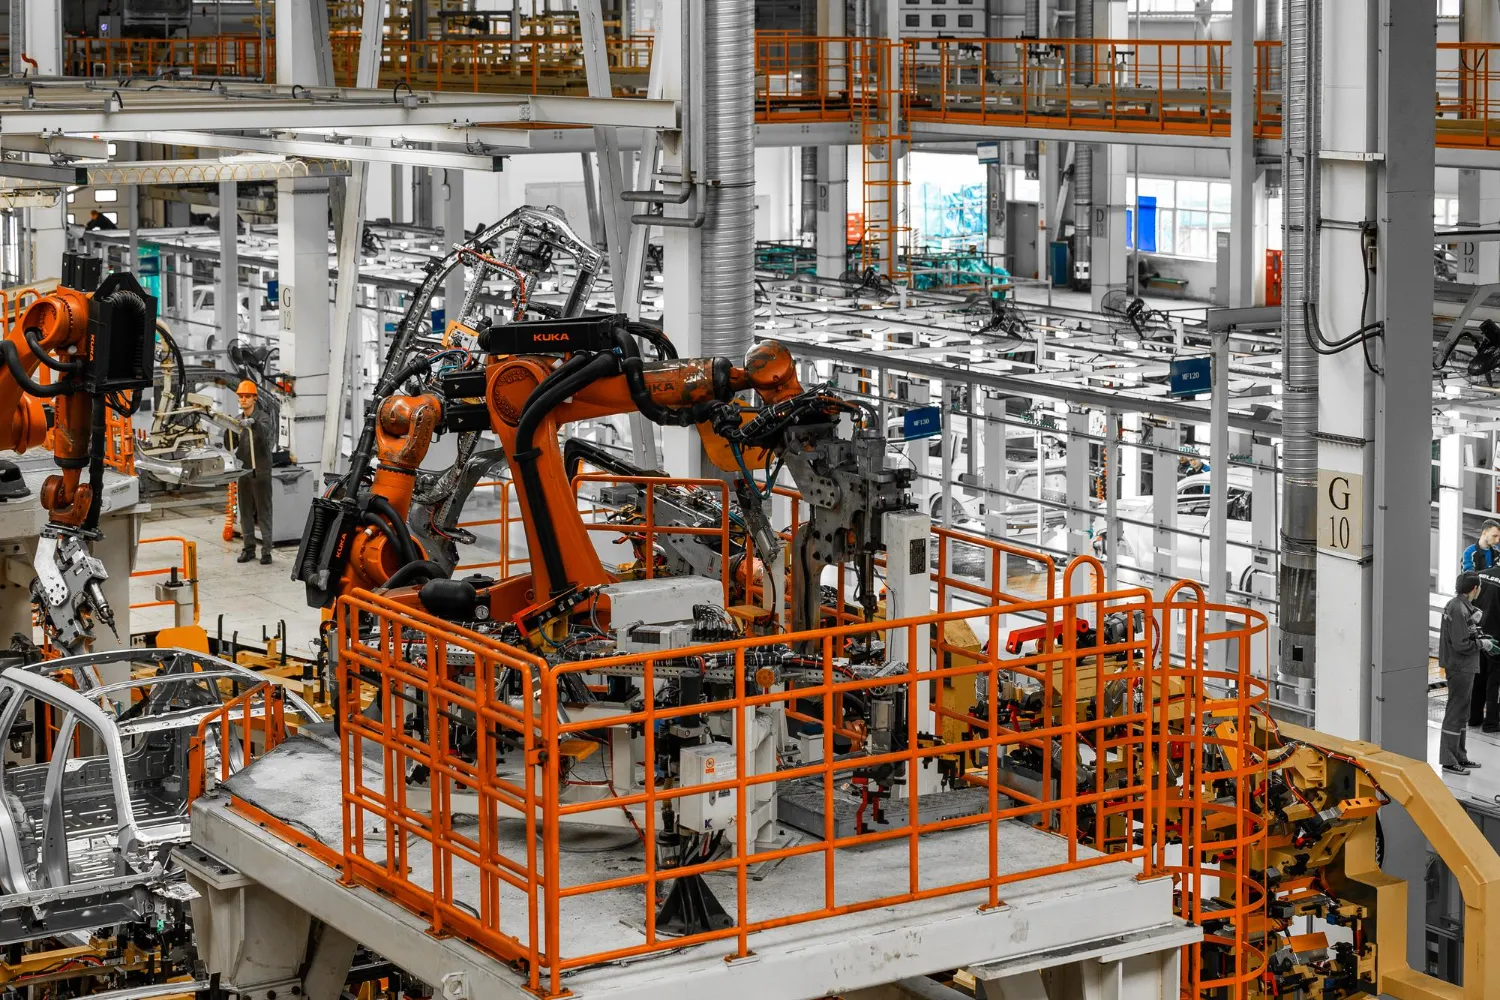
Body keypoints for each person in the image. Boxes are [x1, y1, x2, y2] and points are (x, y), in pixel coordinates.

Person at [1440, 571, 1497, 775]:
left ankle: (1460, 756)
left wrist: (1476, 627)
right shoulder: (1457, 608)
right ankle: (1448, 760)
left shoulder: (1462, 606)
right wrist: (1482, 643)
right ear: (1475, 588)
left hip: (1465, 665)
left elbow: (1465, 632)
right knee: (1455, 713)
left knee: (1462, 713)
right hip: (1460, 666)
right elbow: (1460, 643)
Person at [232, 380, 275, 565]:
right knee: (246, 512)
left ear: (254, 398)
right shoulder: (238, 419)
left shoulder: (263, 418)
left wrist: (254, 424)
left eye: (247, 396)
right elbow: (230, 445)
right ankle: (248, 549)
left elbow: (265, 435)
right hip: (244, 472)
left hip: (261, 472)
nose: (243, 399)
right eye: (241, 396)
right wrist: (230, 428)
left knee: (264, 512)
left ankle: (267, 551)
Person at [1474, 567, 1500, 732]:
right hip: (1496, 640)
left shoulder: (1479, 575)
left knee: (1478, 678)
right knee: (1494, 683)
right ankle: (1491, 723)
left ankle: (1473, 718)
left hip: (1477, 636)